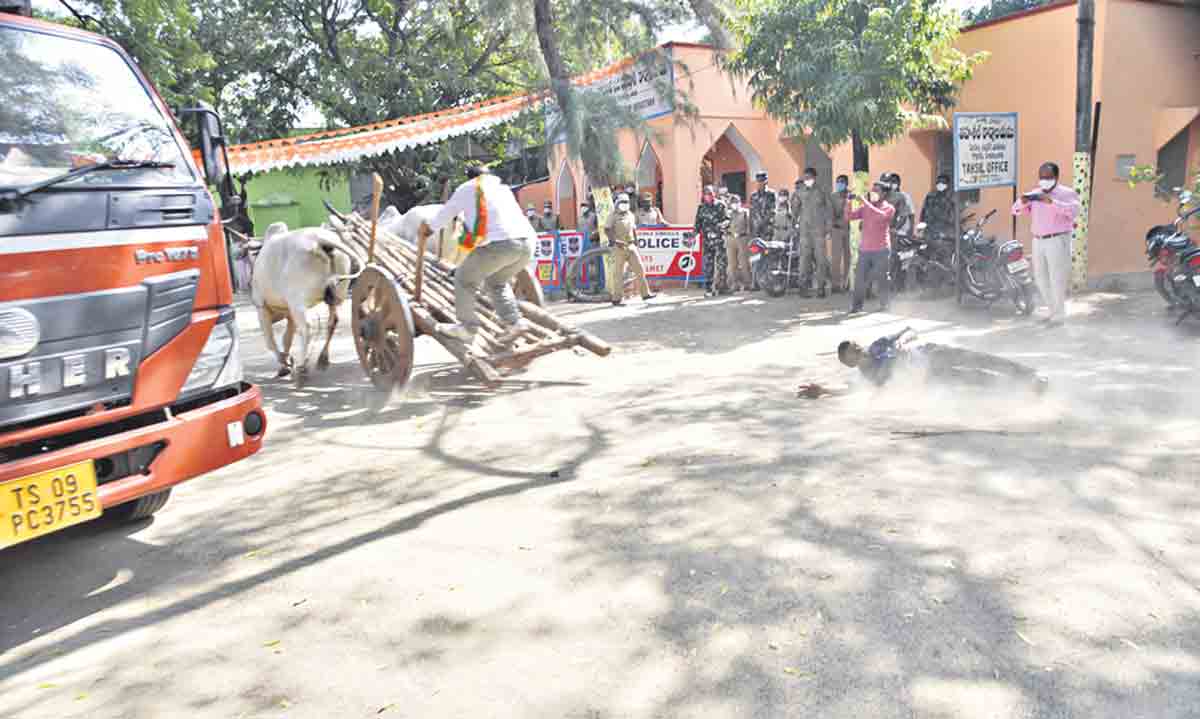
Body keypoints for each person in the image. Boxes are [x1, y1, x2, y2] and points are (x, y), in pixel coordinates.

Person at [430, 166, 535, 345]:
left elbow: (445, 215)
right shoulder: (503, 189)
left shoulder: (467, 188)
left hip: (500, 245)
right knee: (496, 281)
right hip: (527, 244)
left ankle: (467, 328)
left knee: (463, 279)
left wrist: (427, 229)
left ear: (470, 177)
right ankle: (515, 322)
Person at [837, 327, 1048, 393]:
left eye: (857, 346)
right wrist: (822, 391)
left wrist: (901, 341)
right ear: (851, 363)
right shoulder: (868, 375)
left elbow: (910, 330)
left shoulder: (877, 345)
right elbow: (850, 391)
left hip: (930, 353)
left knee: (981, 360)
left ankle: (1029, 374)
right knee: (978, 379)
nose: (860, 349)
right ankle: (1028, 388)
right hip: (930, 376)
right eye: (854, 352)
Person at [1013, 161, 1080, 327]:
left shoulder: (1067, 193)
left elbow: (1074, 212)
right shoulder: (1035, 193)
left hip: (1057, 239)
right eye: (1042, 177)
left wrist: (1051, 202)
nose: (1044, 180)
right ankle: (1052, 311)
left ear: (1056, 177)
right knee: (1040, 279)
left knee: (1057, 278)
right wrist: (1023, 201)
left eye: (1048, 177)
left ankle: (1059, 316)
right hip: (1038, 240)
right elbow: (1014, 210)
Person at [845, 179, 896, 313]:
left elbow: (881, 216)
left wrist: (864, 202)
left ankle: (884, 304)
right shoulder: (867, 206)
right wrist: (849, 202)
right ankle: (857, 306)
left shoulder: (889, 208)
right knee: (859, 279)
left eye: (876, 191)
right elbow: (849, 216)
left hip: (881, 249)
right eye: (872, 190)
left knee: (882, 278)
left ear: (884, 194)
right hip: (865, 250)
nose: (873, 193)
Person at [605, 193, 656, 305]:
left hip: (631, 246)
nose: (624, 205)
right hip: (619, 247)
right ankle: (617, 298)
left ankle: (645, 294)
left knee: (640, 269)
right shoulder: (613, 215)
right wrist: (614, 241)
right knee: (618, 274)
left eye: (626, 203)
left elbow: (633, 230)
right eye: (622, 202)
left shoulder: (631, 215)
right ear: (617, 203)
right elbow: (607, 230)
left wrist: (636, 242)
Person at [792, 167, 834, 297]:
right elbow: (795, 210)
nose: (806, 180)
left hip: (819, 231)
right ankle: (803, 288)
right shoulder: (799, 192)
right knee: (804, 260)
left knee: (821, 260)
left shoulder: (822, 191)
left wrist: (828, 228)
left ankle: (821, 288)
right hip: (805, 232)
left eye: (809, 177)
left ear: (814, 178)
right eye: (805, 178)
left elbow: (829, 210)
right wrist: (795, 223)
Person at [694, 184, 731, 296]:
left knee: (722, 265)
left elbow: (727, 220)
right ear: (704, 196)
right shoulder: (701, 208)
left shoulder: (720, 205)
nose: (709, 196)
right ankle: (709, 289)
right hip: (707, 241)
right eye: (706, 194)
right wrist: (692, 234)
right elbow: (697, 224)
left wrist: (722, 225)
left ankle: (722, 287)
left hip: (719, 240)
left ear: (714, 194)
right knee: (708, 266)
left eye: (710, 193)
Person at [830, 174, 852, 293]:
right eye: (838, 182)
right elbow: (829, 212)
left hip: (850, 230)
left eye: (842, 182)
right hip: (837, 229)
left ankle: (847, 282)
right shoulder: (833, 196)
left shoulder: (852, 195)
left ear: (847, 183)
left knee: (849, 257)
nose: (839, 184)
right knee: (836, 258)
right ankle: (835, 285)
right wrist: (833, 224)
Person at [725, 194, 752, 292]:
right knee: (732, 264)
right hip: (730, 239)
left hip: (742, 239)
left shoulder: (745, 213)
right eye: (732, 202)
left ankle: (747, 284)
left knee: (744, 262)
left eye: (736, 202)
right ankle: (734, 284)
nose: (734, 204)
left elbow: (749, 226)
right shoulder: (728, 213)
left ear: (740, 202)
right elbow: (724, 226)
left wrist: (748, 239)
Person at [920, 173, 956, 242]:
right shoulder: (930, 195)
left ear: (947, 184)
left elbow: (953, 215)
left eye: (943, 183)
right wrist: (922, 224)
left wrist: (946, 230)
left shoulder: (952, 197)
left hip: (944, 230)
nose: (940, 185)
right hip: (929, 229)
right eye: (938, 182)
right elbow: (924, 211)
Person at [750, 171, 776, 242]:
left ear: (766, 181)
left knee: (768, 250)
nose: (760, 183)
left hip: (768, 227)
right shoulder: (753, 195)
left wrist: (763, 221)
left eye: (762, 180)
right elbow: (752, 212)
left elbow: (773, 210)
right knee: (757, 250)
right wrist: (752, 228)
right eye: (758, 181)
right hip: (756, 228)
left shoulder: (771, 194)